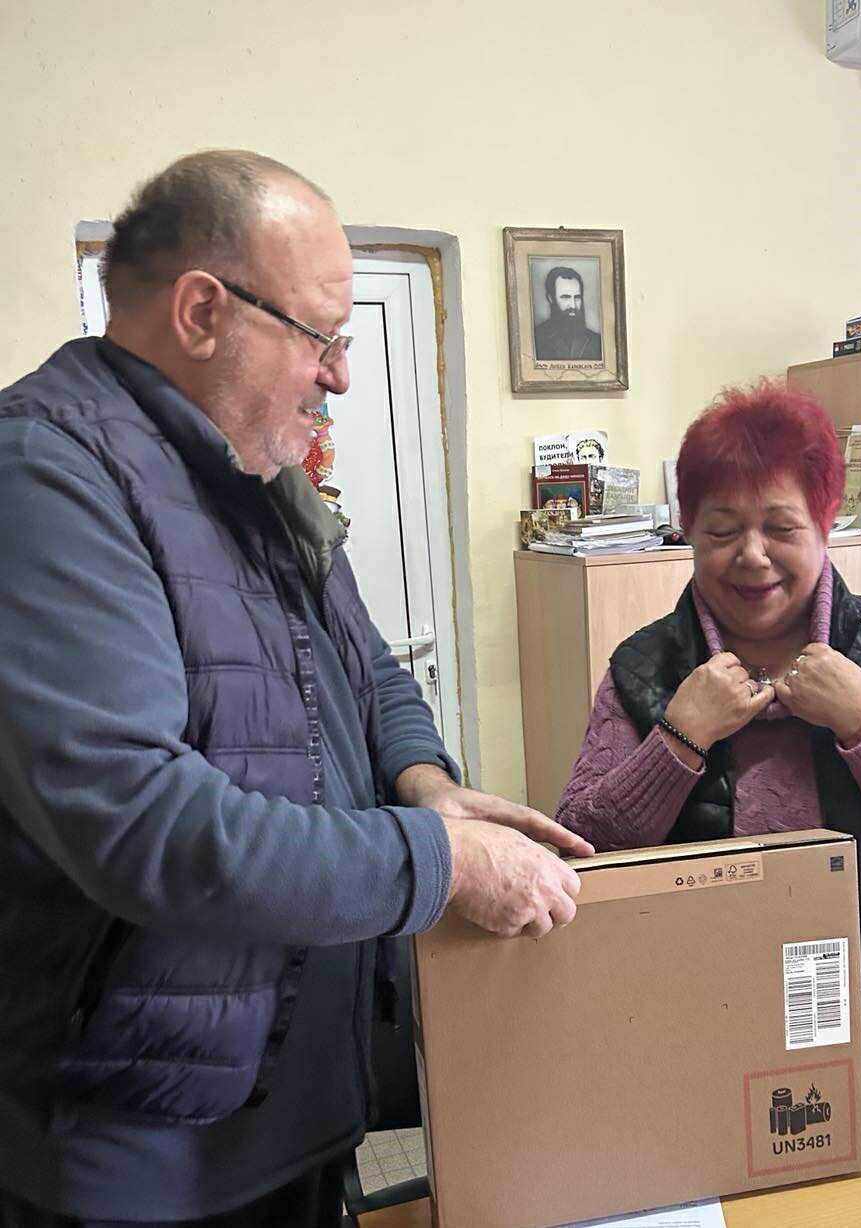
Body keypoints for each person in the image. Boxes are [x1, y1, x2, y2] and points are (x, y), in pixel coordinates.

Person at [0, 150, 593, 1227]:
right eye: (322, 337)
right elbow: (139, 822)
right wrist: (443, 860)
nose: (340, 378)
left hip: (291, 1099)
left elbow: (369, 671)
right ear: (201, 312)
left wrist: (424, 783)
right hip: (141, 1146)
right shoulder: (47, 476)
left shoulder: (260, 476)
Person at [556, 380, 861, 1085]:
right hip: (692, 1026)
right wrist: (678, 741)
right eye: (722, 531)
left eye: (782, 529)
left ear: (824, 526)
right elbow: (580, 850)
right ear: (688, 533)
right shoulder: (646, 667)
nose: (752, 555)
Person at [533, 266, 603, 361]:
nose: (573, 306)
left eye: (577, 298)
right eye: (565, 297)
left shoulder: (596, 341)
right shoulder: (536, 338)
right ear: (550, 298)